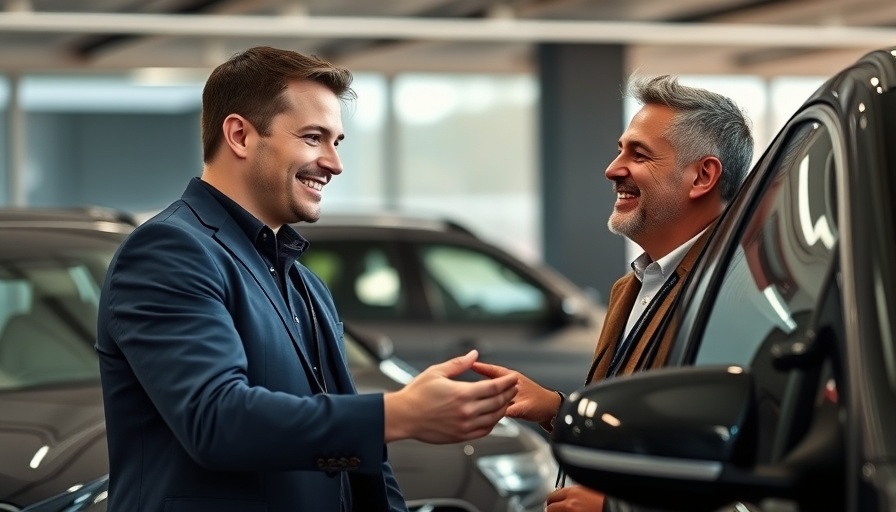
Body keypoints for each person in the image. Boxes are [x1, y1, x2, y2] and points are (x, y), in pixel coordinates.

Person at [95, 46, 518, 512]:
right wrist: (399, 412)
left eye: (336, 142)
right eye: (313, 137)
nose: (334, 164)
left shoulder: (304, 283)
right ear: (239, 135)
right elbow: (215, 420)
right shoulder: (169, 251)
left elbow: (360, 469)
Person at [473, 75, 754, 511]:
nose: (612, 168)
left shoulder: (738, 295)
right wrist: (557, 410)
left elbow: (744, 471)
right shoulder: (635, 285)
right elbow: (651, 428)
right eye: (621, 149)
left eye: (638, 154)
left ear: (702, 176)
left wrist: (616, 508)